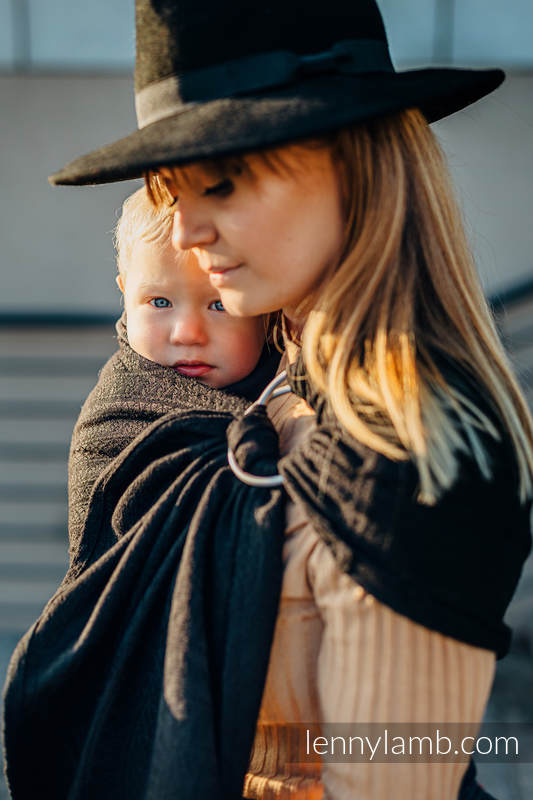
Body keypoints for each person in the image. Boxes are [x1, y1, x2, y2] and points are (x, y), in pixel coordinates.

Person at [4, 1, 533, 799]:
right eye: (171, 190)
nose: (183, 232)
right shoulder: (278, 372)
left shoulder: (412, 449)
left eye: (220, 180)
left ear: (353, 164)